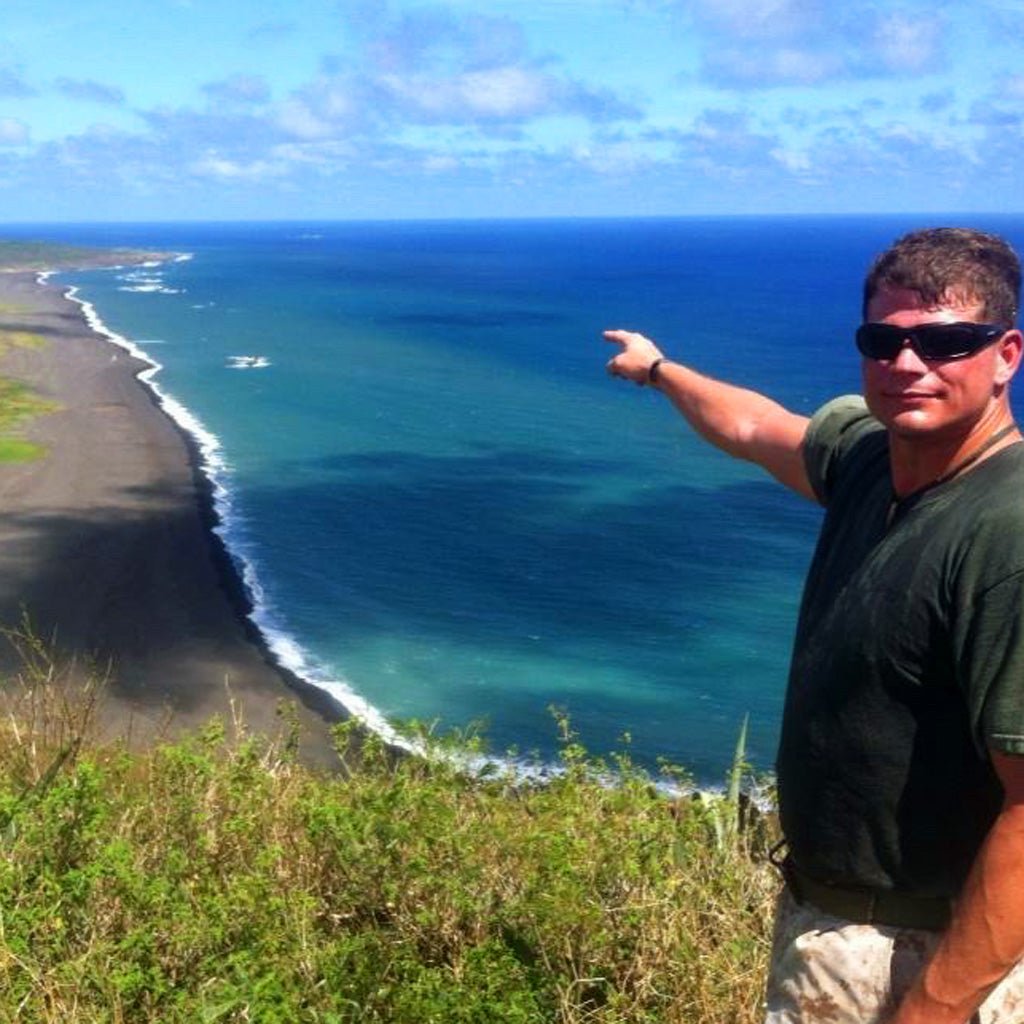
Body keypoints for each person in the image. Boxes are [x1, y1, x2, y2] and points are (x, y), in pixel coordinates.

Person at [604, 227, 1024, 1024]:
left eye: (945, 343)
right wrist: (657, 370)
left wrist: (929, 1013)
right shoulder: (873, 461)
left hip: (929, 956)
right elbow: (755, 426)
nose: (908, 364)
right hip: (831, 928)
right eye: (884, 342)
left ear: (1006, 355)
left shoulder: (1006, 530)